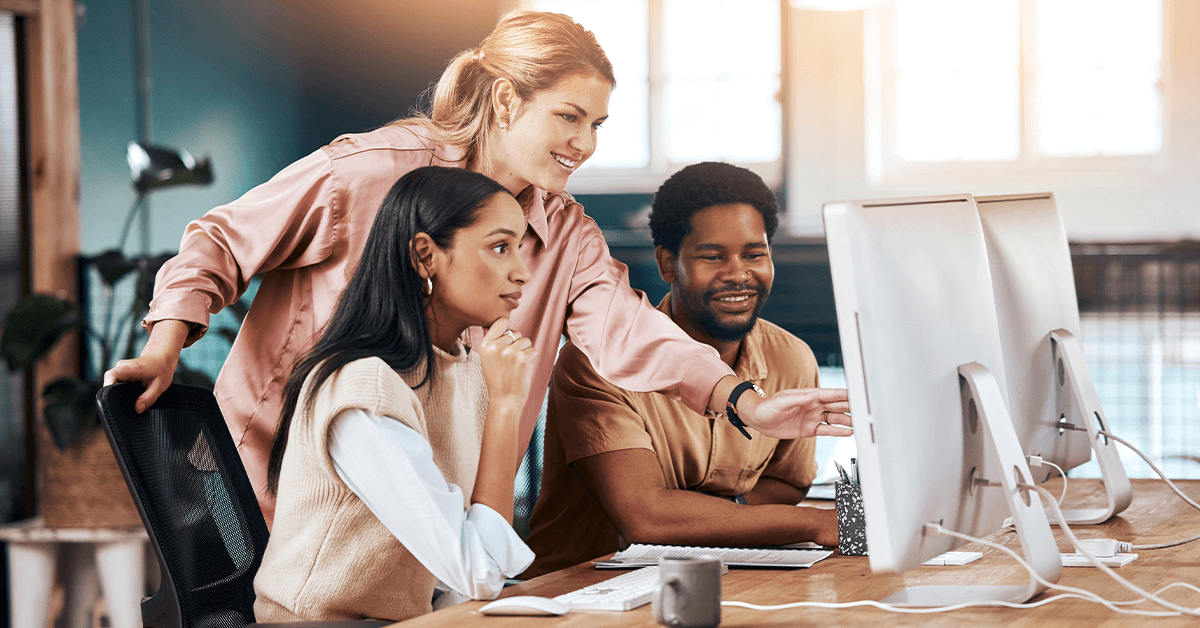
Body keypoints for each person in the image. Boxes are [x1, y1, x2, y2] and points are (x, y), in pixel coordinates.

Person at [105, 10, 851, 528]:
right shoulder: (368, 173)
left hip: (437, 508)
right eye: (568, 117)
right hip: (282, 485)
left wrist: (744, 402)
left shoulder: (564, 233)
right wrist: (166, 344)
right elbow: (221, 240)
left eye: (597, 126)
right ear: (504, 98)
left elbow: (628, 331)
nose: (584, 145)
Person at [522, 162, 839, 578]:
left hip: (729, 580)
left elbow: (788, 483)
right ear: (668, 265)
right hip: (579, 594)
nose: (739, 274)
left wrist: (719, 519)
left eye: (754, 254)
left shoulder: (790, 357)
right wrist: (818, 522)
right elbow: (648, 518)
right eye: (713, 256)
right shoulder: (598, 363)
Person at [253, 166, 536, 622]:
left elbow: (460, 576)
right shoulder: (362, 389)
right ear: (426, 256)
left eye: (519, 248)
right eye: (500, 247)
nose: (521, 272)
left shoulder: (462, 370)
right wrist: (507, 405)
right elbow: (479, 570)